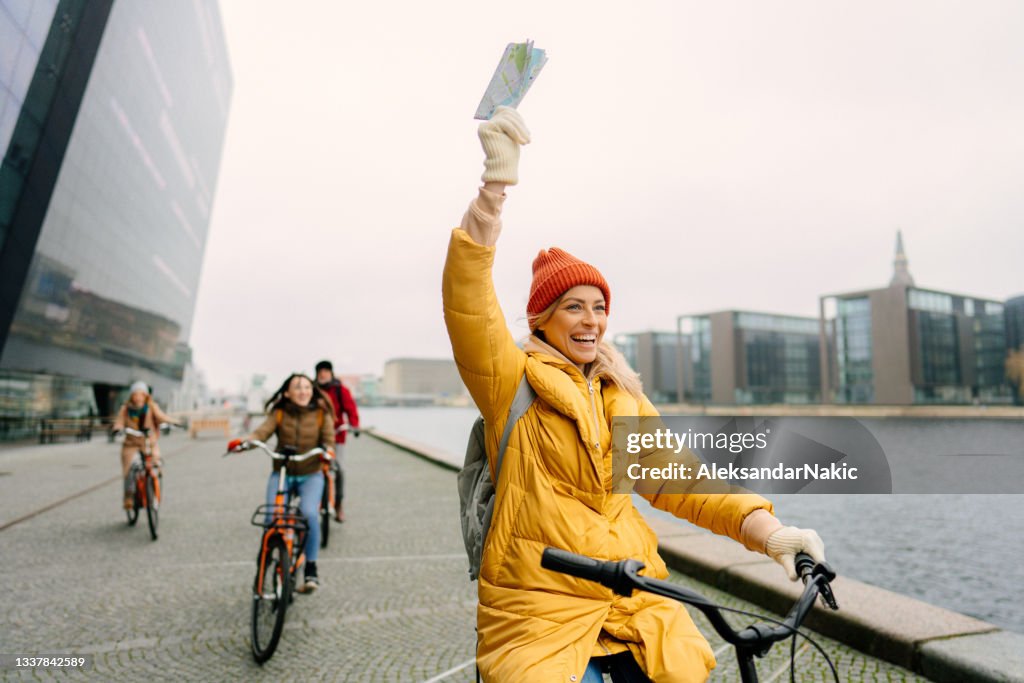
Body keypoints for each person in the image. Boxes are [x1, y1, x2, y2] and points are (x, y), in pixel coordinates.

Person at [441, 106, 827, 682]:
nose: (591, 320)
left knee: (688, 667)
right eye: (574, 306)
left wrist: (771, 533)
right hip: (540, 607)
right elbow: (469, 302)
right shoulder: (510, 382)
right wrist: (494, 187)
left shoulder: (622, 396)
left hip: (635, 598)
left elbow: (683, 484)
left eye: (599, 308)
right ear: (543, 319)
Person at [228, 373, 335, 593]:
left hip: (311, 473)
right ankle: (264, 563)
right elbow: (261, 433)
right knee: (272, 518)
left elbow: (328, 439)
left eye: (307, 387)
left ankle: (311, 568)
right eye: (297, 387)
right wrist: (245, 443)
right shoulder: (278, 413)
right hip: (283, 473)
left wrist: (328, 451)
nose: (303, 391)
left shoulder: (321, 415)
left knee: (309, 514)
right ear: (287, 393)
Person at [111, 381, 173, 510]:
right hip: (131, 443)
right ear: (131, 396)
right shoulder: (126, 408)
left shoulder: (151, 407)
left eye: (141, 395)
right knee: (129, 468)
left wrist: (173, 422)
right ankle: (128, 497)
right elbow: (119, 422)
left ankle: (153, 484)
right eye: (135, 395)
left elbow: (161, 417)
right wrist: (118, 429)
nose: (138, 397)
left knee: (155, 461)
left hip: (148, 441)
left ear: (146, 396)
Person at [315, 360, 360, 522]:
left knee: (339, 469)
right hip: (316, 436)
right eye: (320, 371)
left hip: (337, 436)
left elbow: (351, 409)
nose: (323, 374)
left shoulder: (341, 390)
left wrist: (354, 426)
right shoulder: (312, 390)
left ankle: (339, 504)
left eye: (326, 371)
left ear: (331, 373)